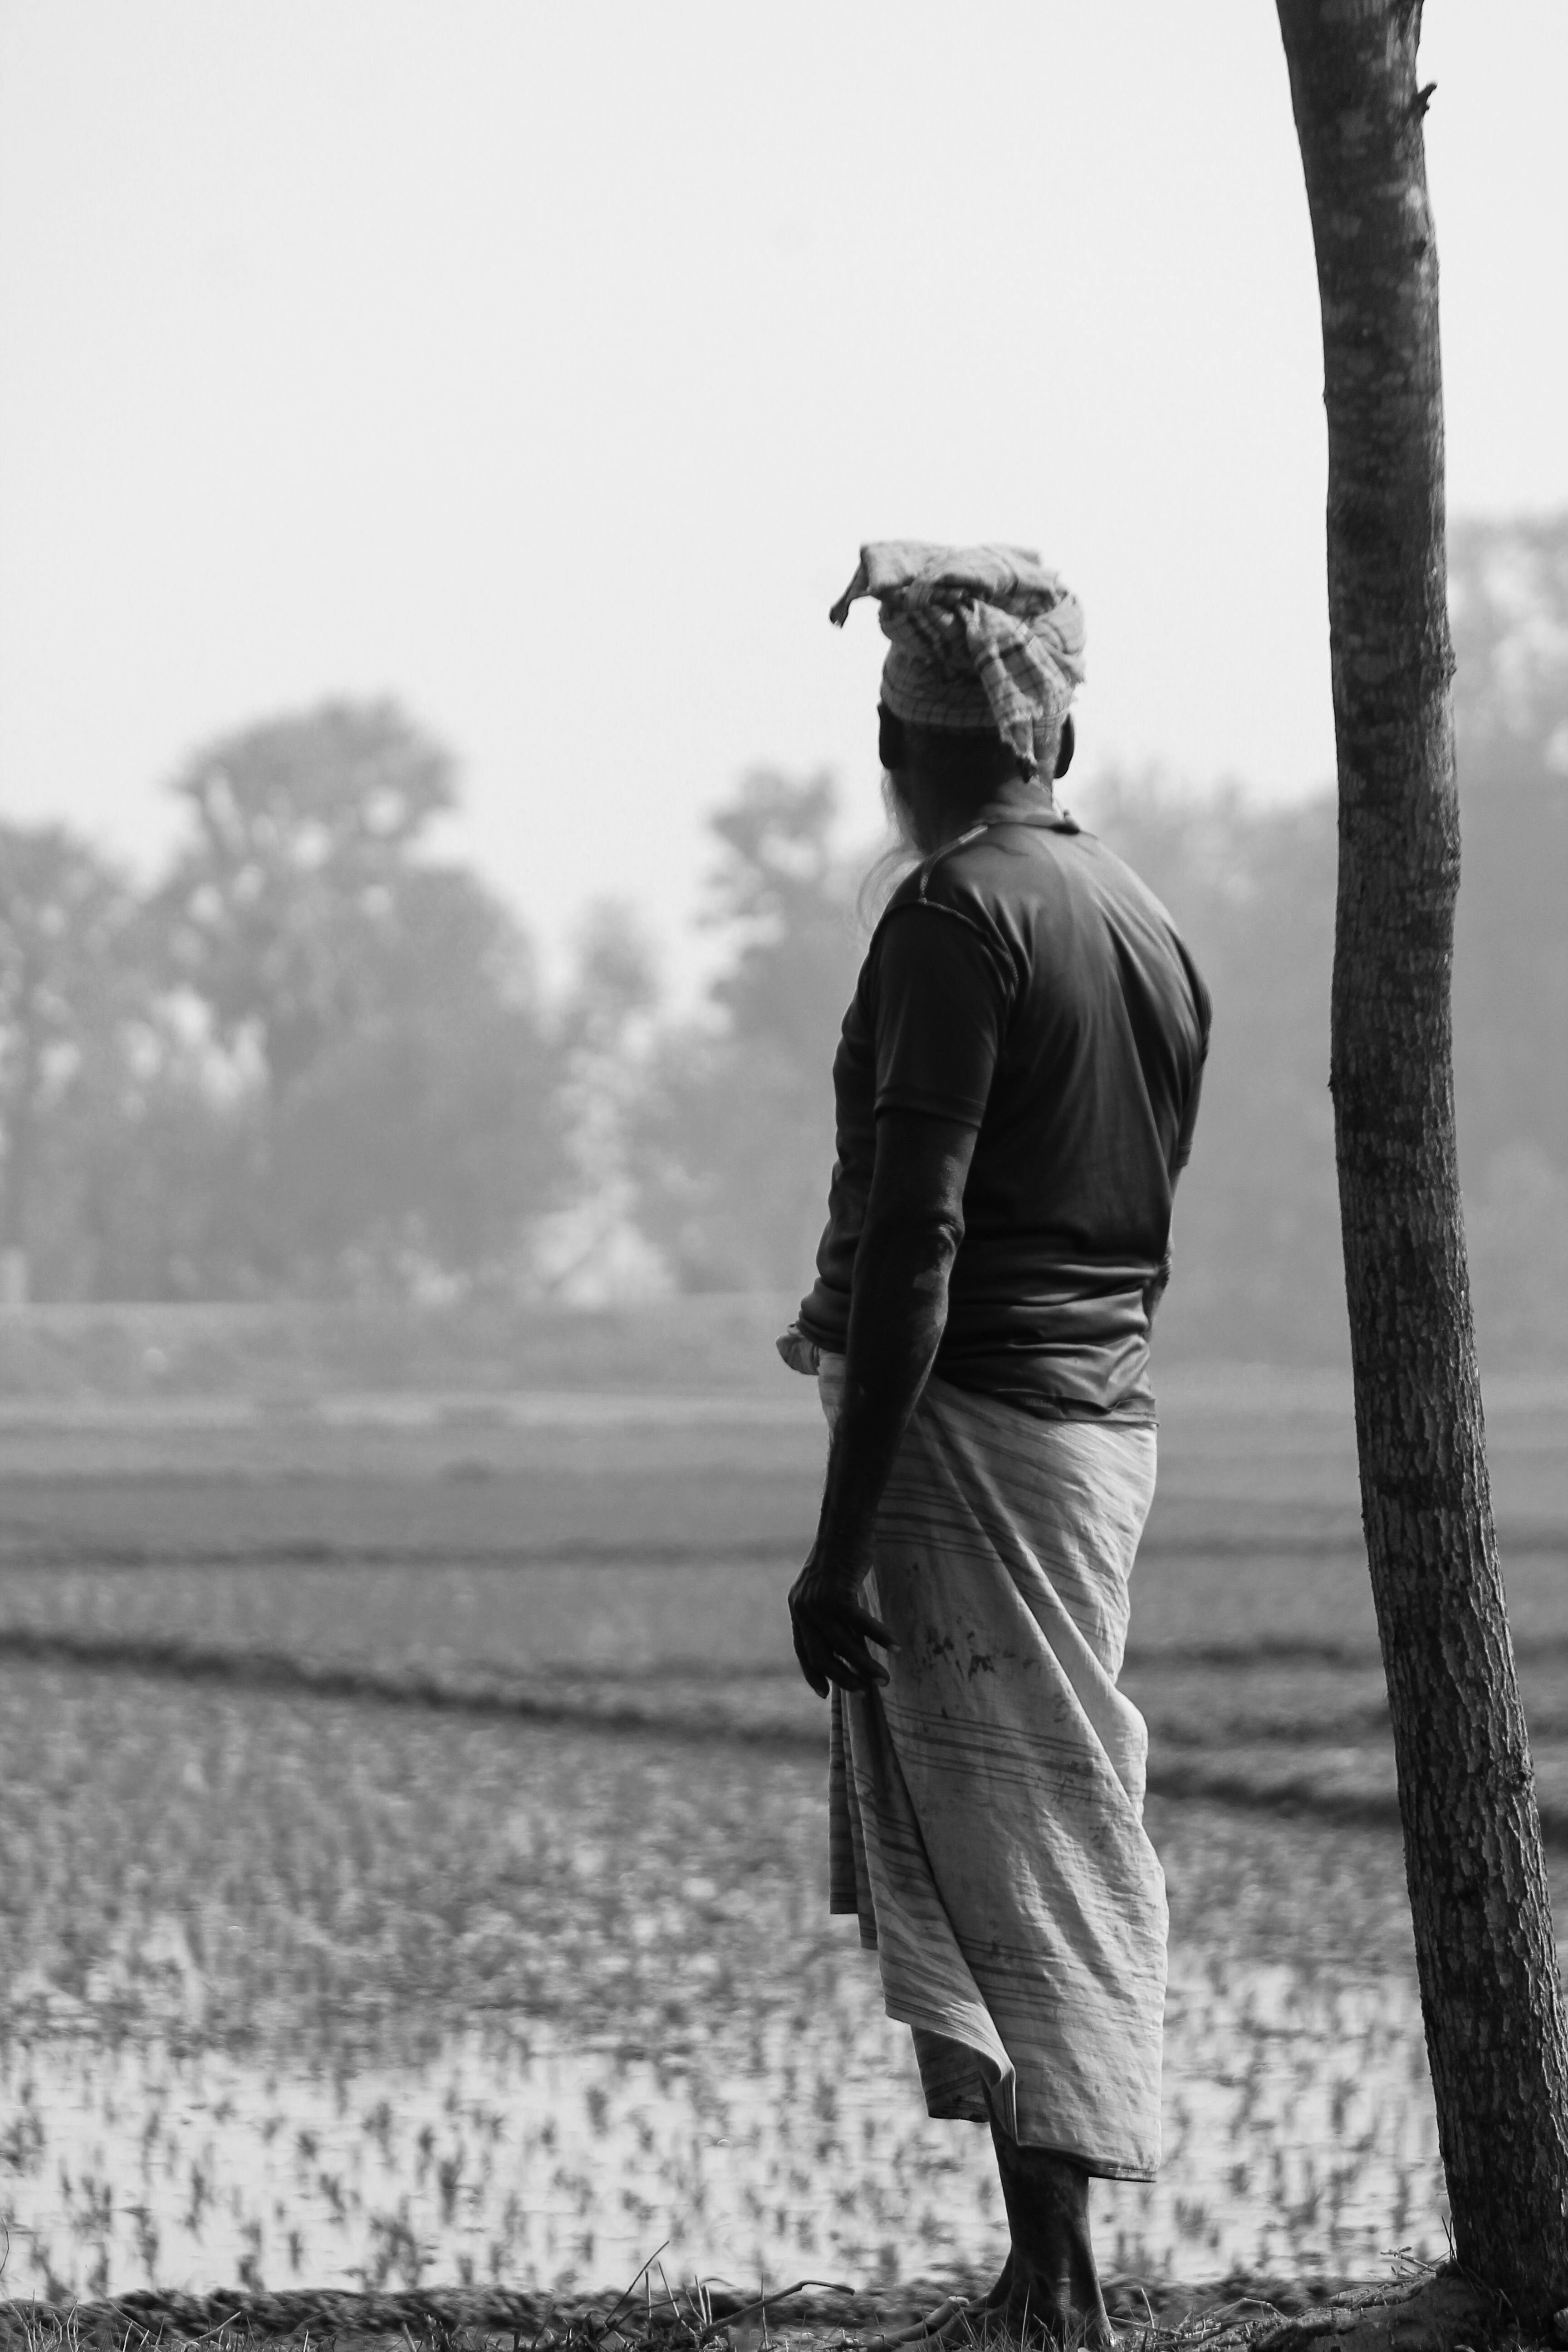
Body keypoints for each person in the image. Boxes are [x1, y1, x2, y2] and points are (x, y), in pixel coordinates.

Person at [778, 543, 1210, 2345]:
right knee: (1032, 1809)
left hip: (982, 1430)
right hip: (1101, 1428)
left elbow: (923, 1237)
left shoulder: (956, 922)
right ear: (1065, 733)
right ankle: (1047, 2272)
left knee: (1020, 1827)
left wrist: (837, 1535)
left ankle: (1057, 2289)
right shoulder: (1149, 930)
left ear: (906, 742)